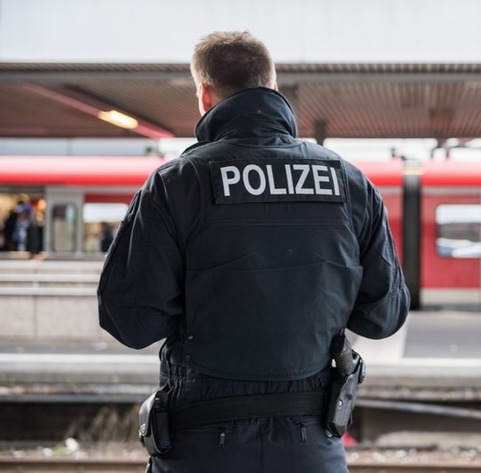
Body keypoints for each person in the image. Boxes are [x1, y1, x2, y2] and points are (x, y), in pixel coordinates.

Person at [97, 31, 409, 473]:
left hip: (202, 449)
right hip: (312, 448)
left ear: (204, 95)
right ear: (274, 88)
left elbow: (129, 321)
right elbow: (384, 316)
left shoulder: (176, 184)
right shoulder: (348, 181)